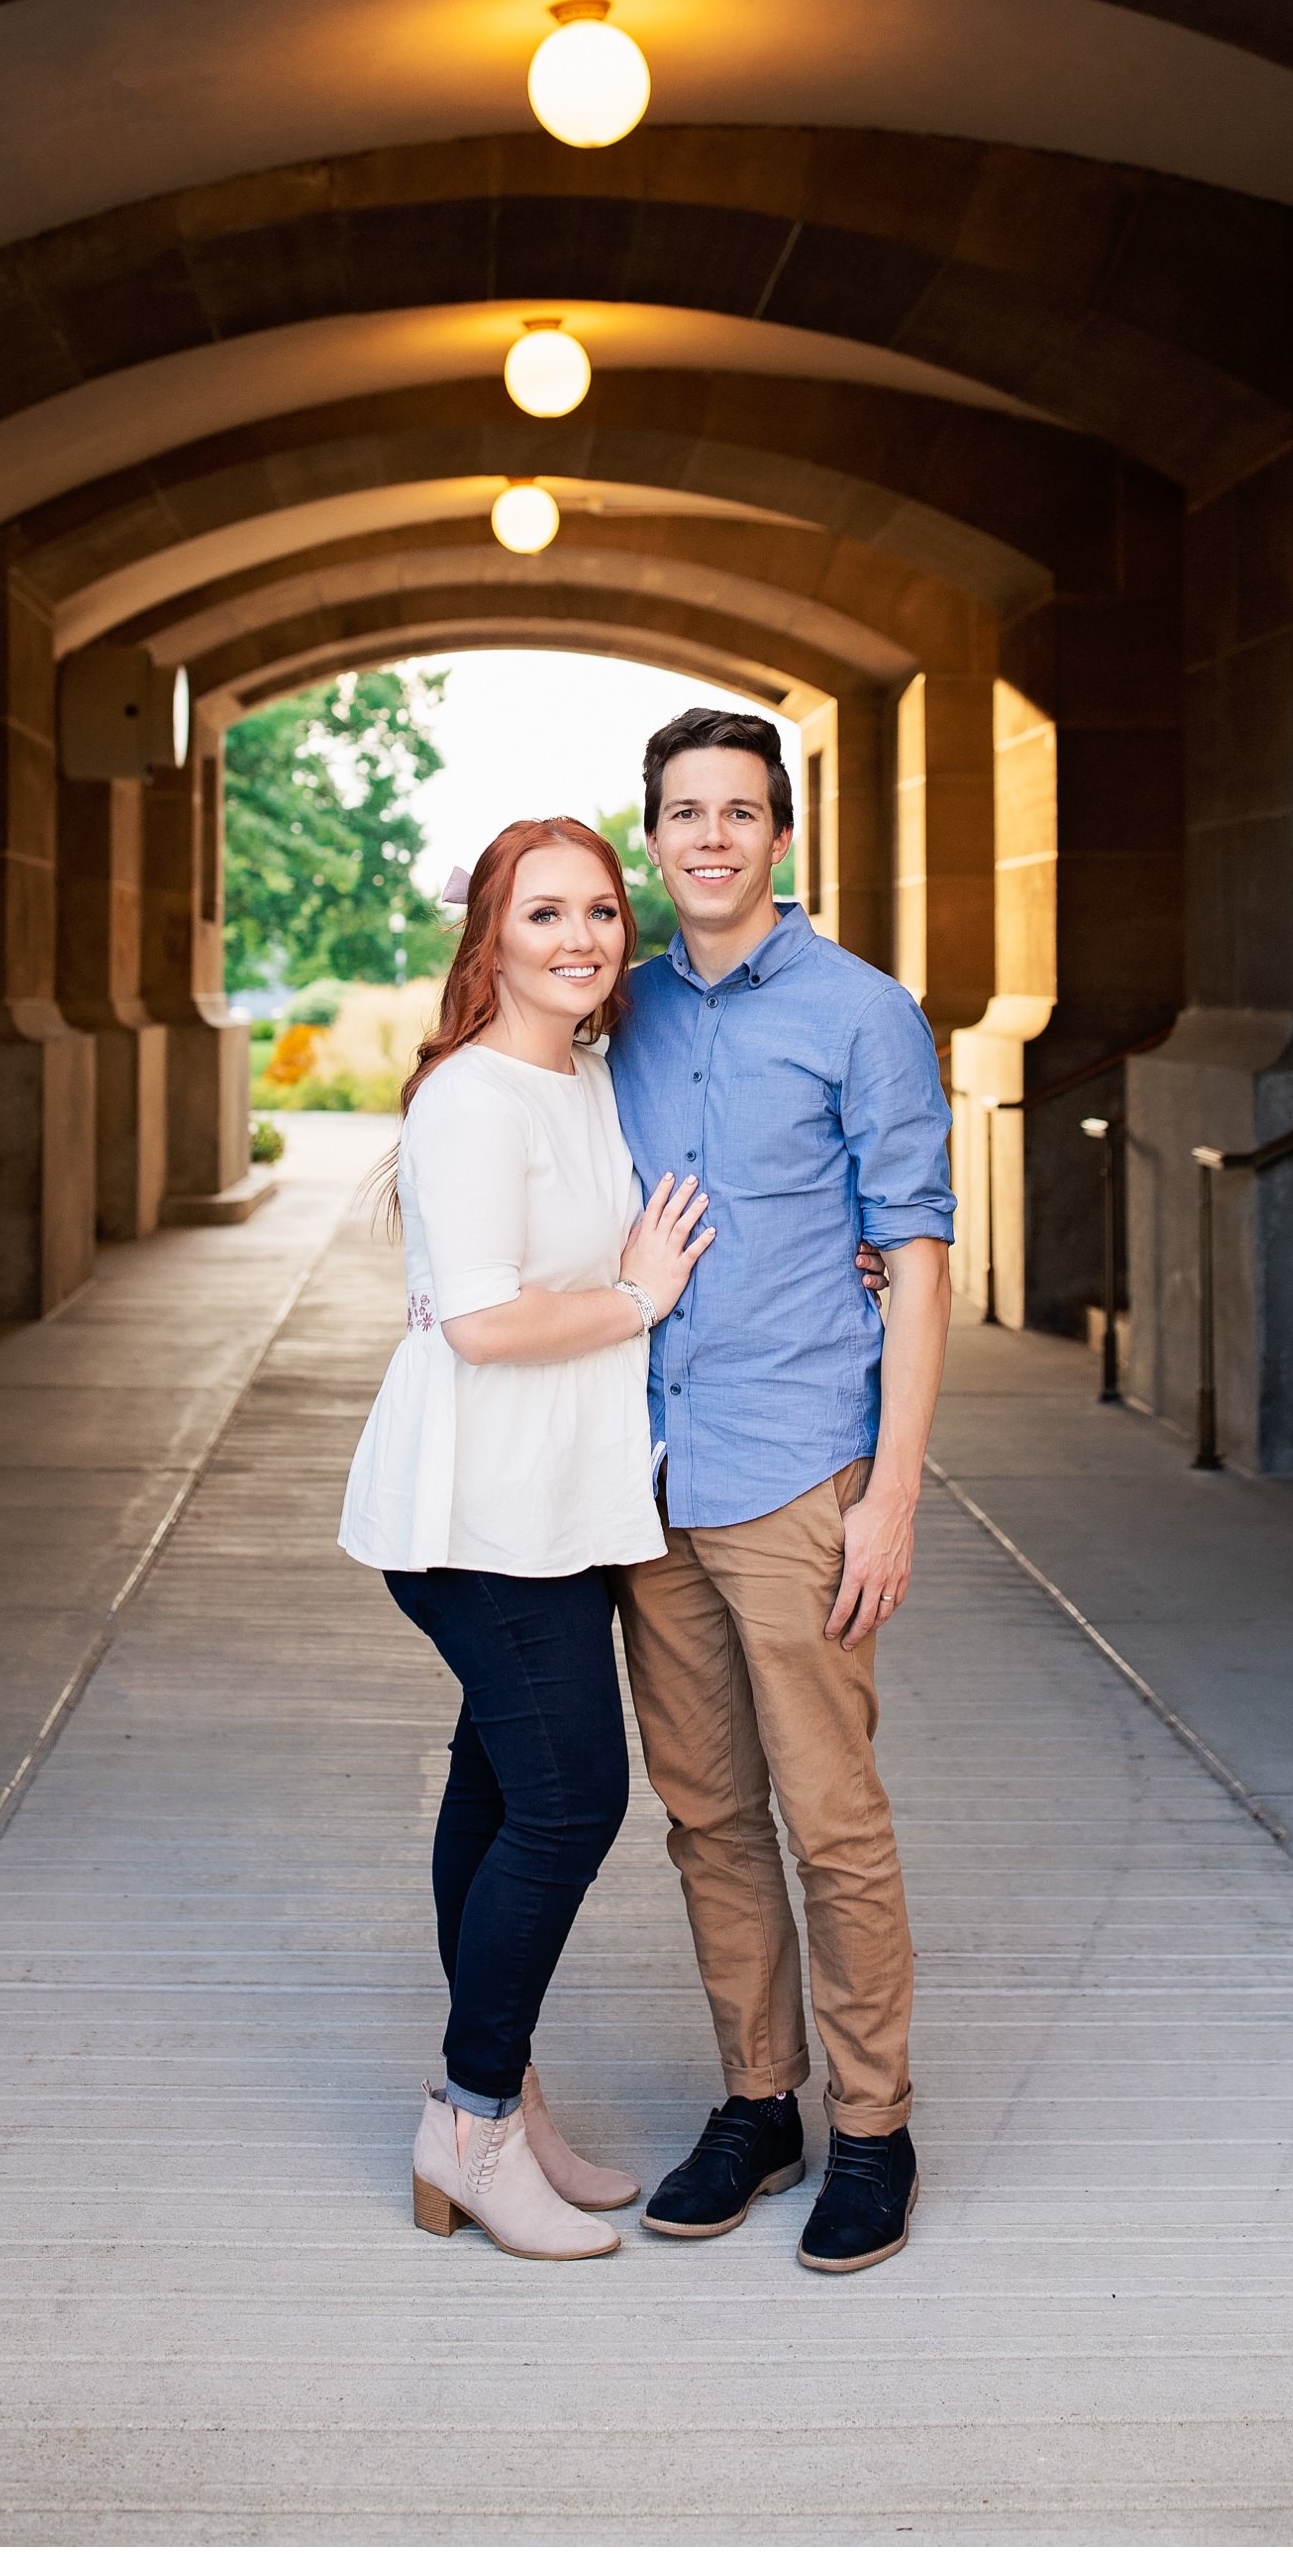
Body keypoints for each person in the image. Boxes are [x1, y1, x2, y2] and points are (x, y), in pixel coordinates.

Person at [608, 708, 955, 2275]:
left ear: (780, 832)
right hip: (648, 1472)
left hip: (799, 1467)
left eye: (739, 810)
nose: (710, 838)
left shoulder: (864, 1013)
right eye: (684, 812)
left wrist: (891, 1495)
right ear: (655, 833)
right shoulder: (618, 1012)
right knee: (704, 1813)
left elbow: (924, 1254)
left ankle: (873, 2126)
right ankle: (762, 2100)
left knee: (832, 1819)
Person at [337, 816, 714, 2263]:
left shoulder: (588, 1077)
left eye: (602, 910)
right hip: (475, 1511)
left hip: (557, 1501)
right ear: (488, 932)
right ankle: (471, 2119)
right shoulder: (473, 1101)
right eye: (543, 911)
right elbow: (488, 1323)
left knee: (498, 1793)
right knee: (569, 1799)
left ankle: (504, 2095)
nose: (581, 936)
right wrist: (637, 1297)